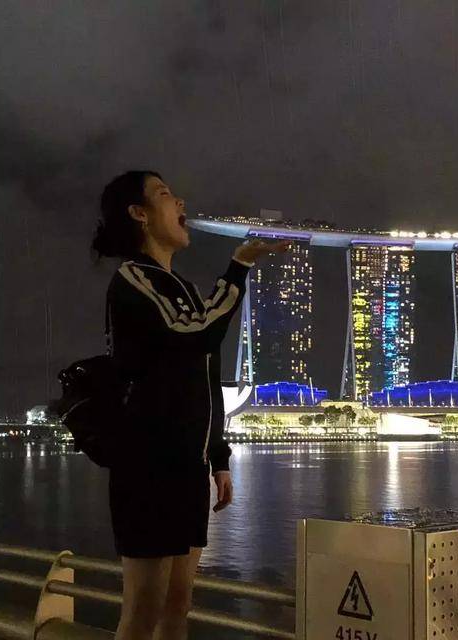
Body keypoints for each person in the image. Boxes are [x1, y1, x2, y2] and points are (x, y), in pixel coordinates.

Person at [91, 170, 289, 640]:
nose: (180, 201)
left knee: (178, 604)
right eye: (164, 194)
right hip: (148, 467)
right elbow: (196, 333)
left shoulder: (179, 287)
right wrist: (238, 266)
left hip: (187, 468)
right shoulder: (135, 279)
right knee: (143, 610)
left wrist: (217, 458)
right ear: (138, 214)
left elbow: (205, 380)